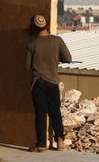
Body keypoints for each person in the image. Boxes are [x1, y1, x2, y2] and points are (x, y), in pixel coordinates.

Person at [25, 14, 73, 152]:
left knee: (40, 113)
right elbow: (68, 59)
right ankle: (60, 141)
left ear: (33, 27)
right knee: (55, 112)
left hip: (38, 83)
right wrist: (58, 59)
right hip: (53, 82)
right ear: (46, 25)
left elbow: (27, 65)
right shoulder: (57, 40)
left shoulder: (31, 43)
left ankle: (41, 144)